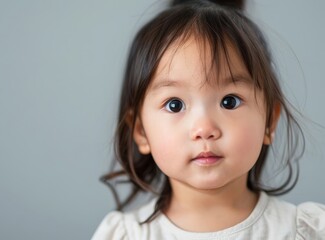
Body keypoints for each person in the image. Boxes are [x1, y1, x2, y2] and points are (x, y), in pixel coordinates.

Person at [92, 0, 325, 239]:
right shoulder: (125, 235)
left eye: (229, 101)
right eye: (175, 105)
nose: (204, 129)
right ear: (141, 131)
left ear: (269, 121)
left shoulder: (305, 231)